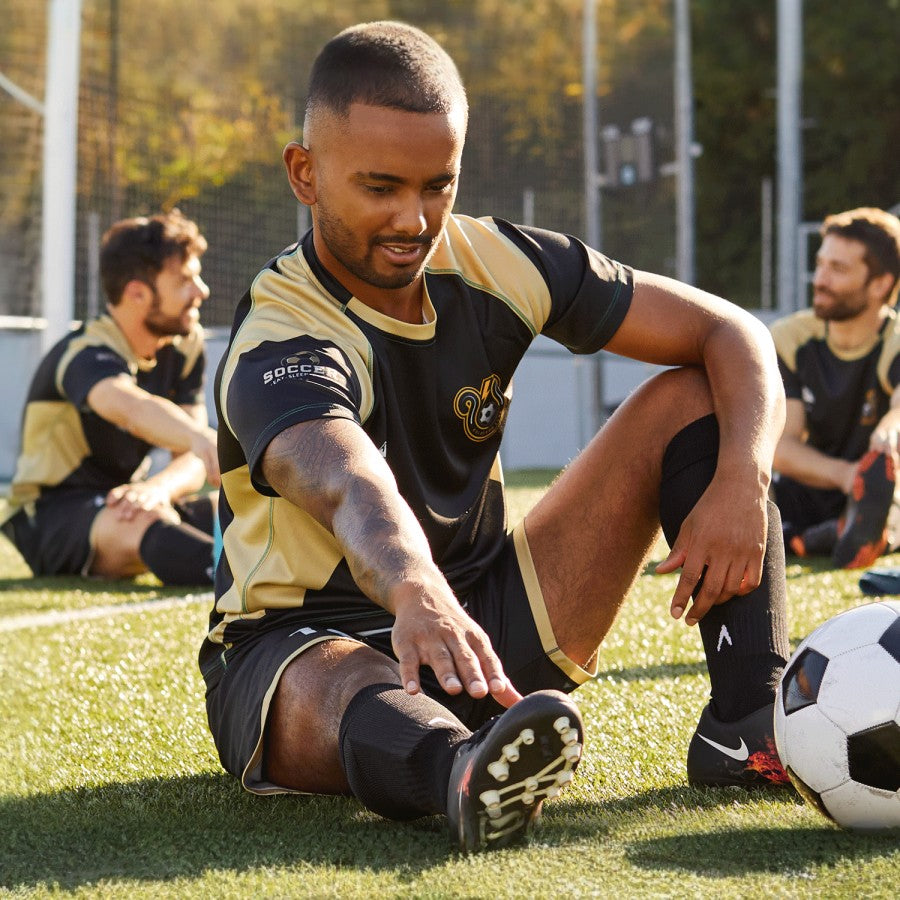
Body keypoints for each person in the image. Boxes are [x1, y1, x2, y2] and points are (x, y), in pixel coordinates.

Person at [201, 21, 791, 853]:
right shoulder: (281, 335)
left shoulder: (494, 261)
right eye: (379, 188)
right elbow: (350, 481)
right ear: (305, 173)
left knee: (692, 394)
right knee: (334, 674)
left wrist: (743, 478)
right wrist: (413, 590)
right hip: (301, 646)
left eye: (435, 185)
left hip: (486, 634)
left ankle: (750, 727)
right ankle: (465, 771)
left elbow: (733, 332)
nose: (413, 218)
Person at [1, 209, 220, 586]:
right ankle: (242, 581)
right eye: (185, 280)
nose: (201, 291)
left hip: (126, 500)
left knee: (233, 510)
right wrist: (200, 437)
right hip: (51, 515)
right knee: (144, 521)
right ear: (137, 292)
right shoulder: (85, 352)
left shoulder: (185, 345)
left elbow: (192, 460)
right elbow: (129, 407)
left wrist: (155, 489)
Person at [770, 207, 900, 569]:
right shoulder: (789, 338)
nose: (820, 279)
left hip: (885, 492)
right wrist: (849, 477)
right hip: (815, 483)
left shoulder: (895, 340)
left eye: (837, 269)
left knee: (890, 495)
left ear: (880, 284)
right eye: (821, 264)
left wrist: (888, 435)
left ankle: (847, 532)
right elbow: (782, 445)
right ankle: (828, 533)